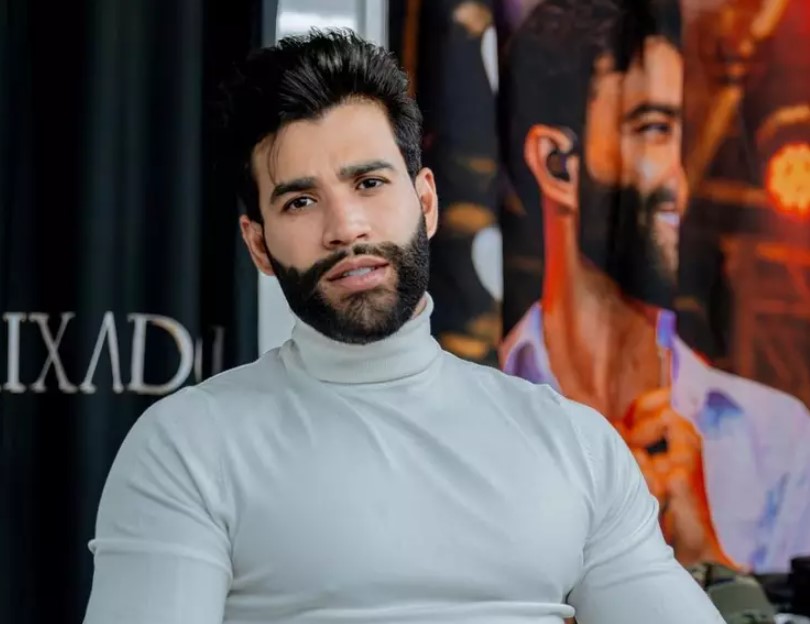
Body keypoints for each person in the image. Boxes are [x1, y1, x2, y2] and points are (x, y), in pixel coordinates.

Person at [82, 29, 726, 624]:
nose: (346, 227)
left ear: (426, 201)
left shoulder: (573, 443)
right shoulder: (188, 447)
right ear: (258, 244)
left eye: (368, 183)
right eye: (300, 201)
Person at [498, 0, 810, 573]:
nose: (679, 183)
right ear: (558, 163)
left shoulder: (778, 440)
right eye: (652, 129)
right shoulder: (476, 407)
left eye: (677, 135)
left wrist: (703, 554)